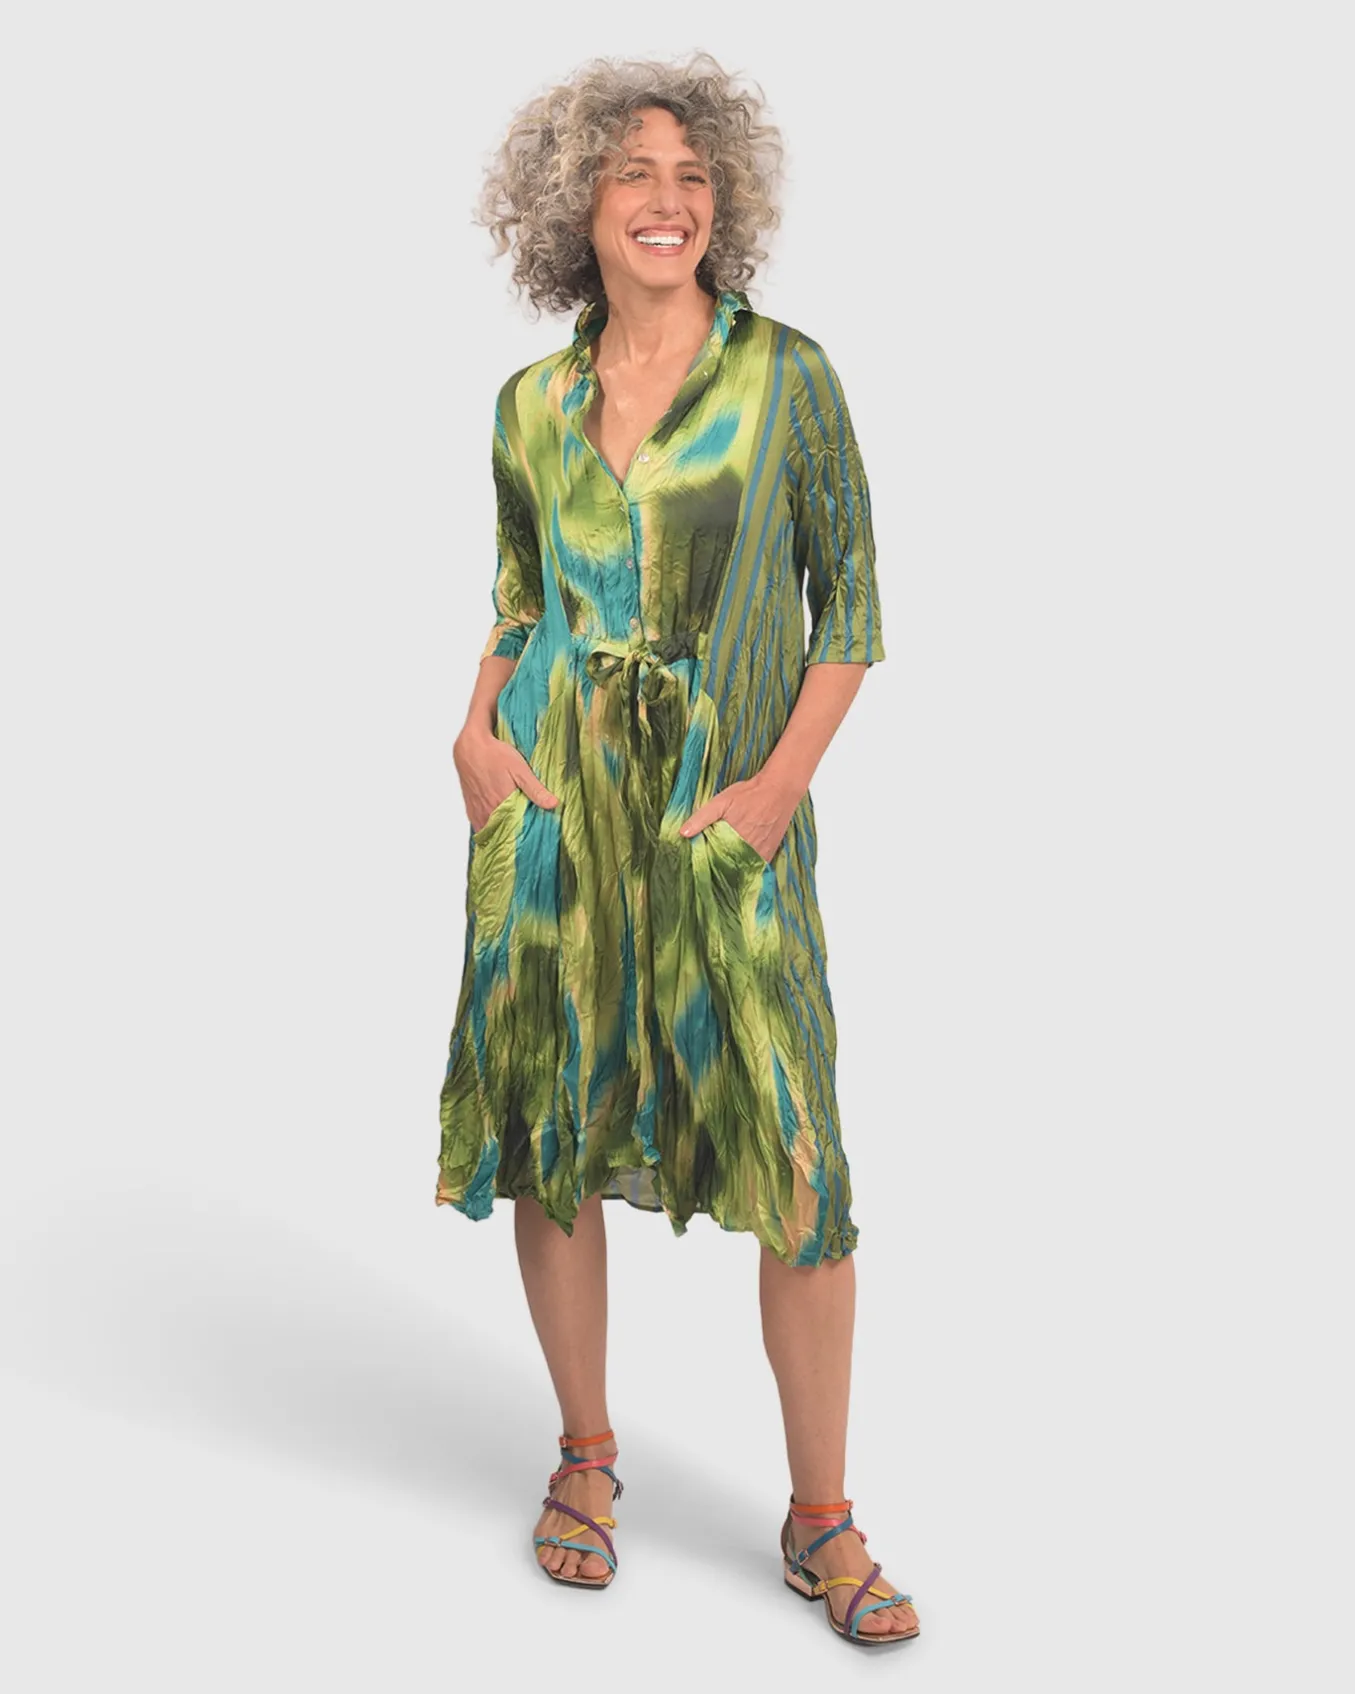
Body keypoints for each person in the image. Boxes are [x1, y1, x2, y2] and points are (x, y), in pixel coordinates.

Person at [436, 52, 918, 1646]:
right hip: (555, 812)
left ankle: (818, 1513)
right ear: (573, 207)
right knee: (555, 1130)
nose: (668, 200)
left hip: (723, 819)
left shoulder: (787, 380)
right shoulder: (530, 405)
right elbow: (519, 600)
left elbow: (848, 611)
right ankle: (583, 1454)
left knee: (797, 1160)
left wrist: (775, 791)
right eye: (633, 174)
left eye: (693, 176)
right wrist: (471, 731)